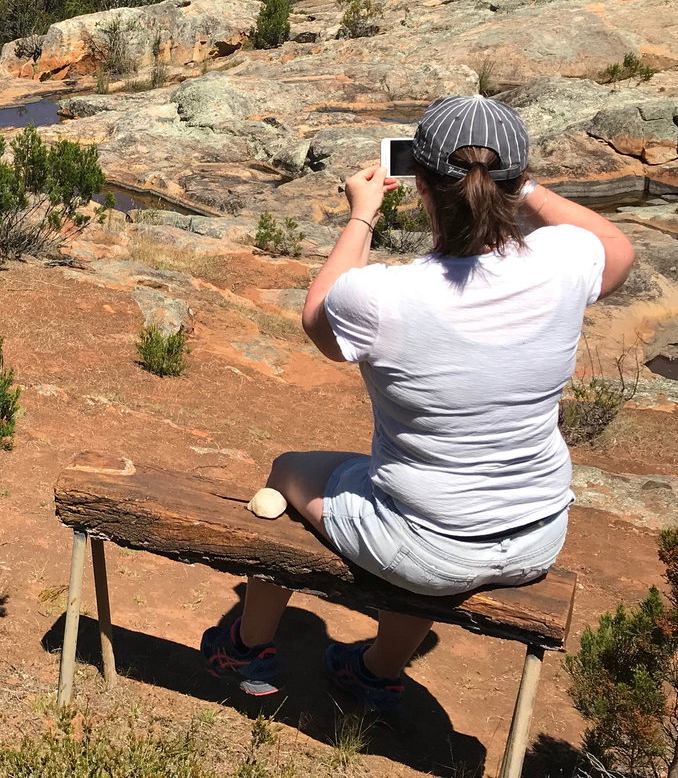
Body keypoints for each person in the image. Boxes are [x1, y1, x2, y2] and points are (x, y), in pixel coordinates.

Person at [200, 94, 634, 712]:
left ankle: (244, 647)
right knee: (421, 512)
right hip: (538, 534)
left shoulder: (383, 296)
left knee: (289, 469)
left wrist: (362, 216)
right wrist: (523, 185)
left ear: (422, 185)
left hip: (426, 545)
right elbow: (614, 243)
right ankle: (374, 671)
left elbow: (317, 316)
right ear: (512, 181)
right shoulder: (566, 260)